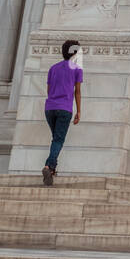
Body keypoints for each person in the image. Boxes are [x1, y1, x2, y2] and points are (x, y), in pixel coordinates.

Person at [42, 40, 83, 186]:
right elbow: (77, 92)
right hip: (64, 108)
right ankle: (48, 166)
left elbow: (48, 90)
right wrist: (79, 111)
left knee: (56, 139)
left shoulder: (53, 68)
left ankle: (52, 170)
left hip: (49, 108)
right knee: (58, 140)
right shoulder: (77, 69)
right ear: (75, 53)